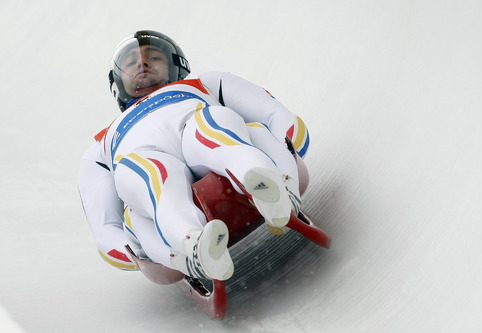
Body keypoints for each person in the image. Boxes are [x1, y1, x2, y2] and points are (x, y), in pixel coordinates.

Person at [78, 30, 310, 281]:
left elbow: (272, 113)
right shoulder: (100, 147)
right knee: (147, 180)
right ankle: (192, 243)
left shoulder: (204, 82)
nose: (142, 64)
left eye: (153, 57)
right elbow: (104, 224)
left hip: (195, 126)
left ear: (175, 65)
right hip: (142, 156)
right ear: (119, 83)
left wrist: (288, 143)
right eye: (130, 63)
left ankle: (269, 187)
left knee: (217, 129)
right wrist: (131, 251)